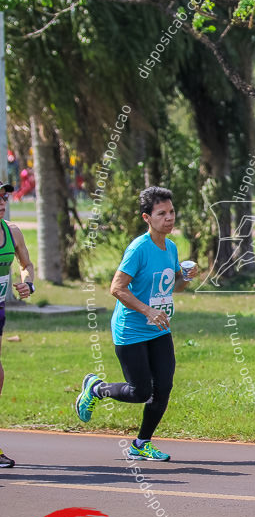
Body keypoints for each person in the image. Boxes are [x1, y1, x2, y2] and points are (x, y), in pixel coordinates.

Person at [74, 187, 197, 461]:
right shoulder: (138, 249)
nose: (169, 218)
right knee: (140, 391)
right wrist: (147, 311)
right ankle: (96, 388)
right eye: (161, 213)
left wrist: (186, 277)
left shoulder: (171, 247)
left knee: (163, 387)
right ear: (147, 217)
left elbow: (174, 288)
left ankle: (141, 444)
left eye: (172, 212)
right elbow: (117, 288)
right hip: (131, 329)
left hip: (159, 328)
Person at [0, 182, 37, 468]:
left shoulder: (12, 231)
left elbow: (26, 264)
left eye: (3, 197)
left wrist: (28, 283)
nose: (2, 202)